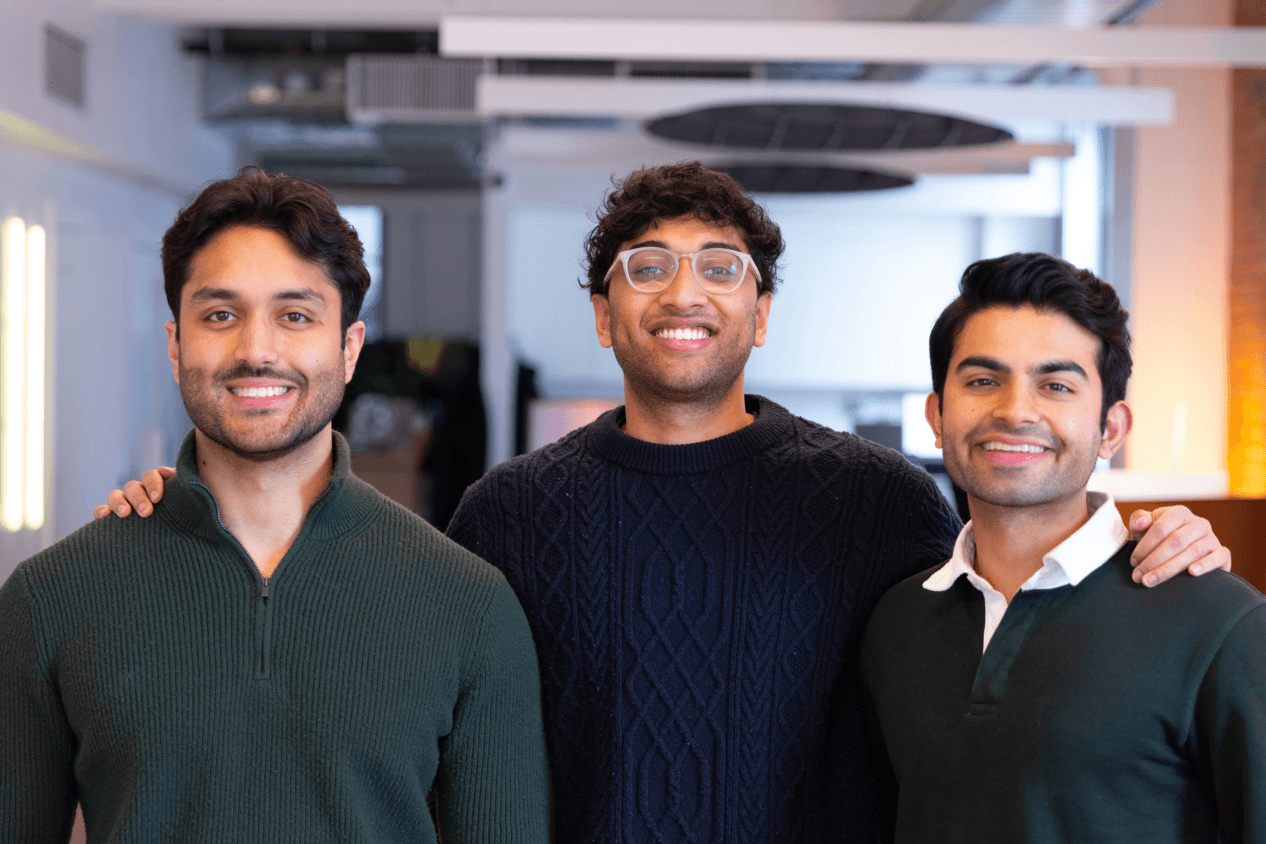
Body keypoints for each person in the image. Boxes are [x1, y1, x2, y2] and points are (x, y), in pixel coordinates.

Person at [95, 163, 1229, 843]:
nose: (684, 290)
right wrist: (183, 513)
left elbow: (1002, 609)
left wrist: (1148, 537)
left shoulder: (883, 502)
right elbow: (416, 693)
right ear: (603, 313)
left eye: (721, 265)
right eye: (645, 264)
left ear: (763, 310)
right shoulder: (508, 512)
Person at [0, 169, 551, 844]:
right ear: (176, 347)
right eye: (220, 315)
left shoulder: (469, 607)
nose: (256, 350)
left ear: (348, 350)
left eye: (295, 316)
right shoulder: (50, 599)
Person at [861, 253, 1264, 843]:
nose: (1016, 410)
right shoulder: (895, 624)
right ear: (936, 415)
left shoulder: (1220, 624)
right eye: (981, 381)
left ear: (1111, 429)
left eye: (1055, 385)